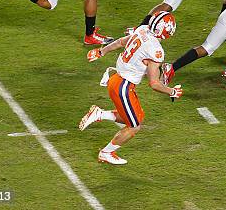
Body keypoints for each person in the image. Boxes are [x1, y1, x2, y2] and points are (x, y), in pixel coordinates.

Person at [78, 11, 183, 165]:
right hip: (123, 87)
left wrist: (102, 51)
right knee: (134, 126)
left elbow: (121, 42)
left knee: (136, 116)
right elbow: (154, 83)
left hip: (116, 80)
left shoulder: (141, 30)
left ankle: (99, 114)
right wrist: (172, 91)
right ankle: (106, 153)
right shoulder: (157, 51)